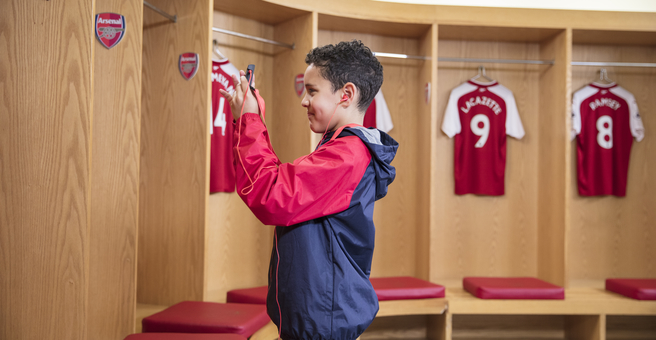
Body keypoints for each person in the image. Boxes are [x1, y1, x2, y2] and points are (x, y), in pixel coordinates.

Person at [219, 40, 398, 340]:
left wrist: (250, 120)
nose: (303, 100)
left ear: (347, 94)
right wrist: (245, 119)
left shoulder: (346, 156)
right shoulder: (339, 149)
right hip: (316, 321)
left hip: (321, 325)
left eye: (312, 91)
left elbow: (269, 192)